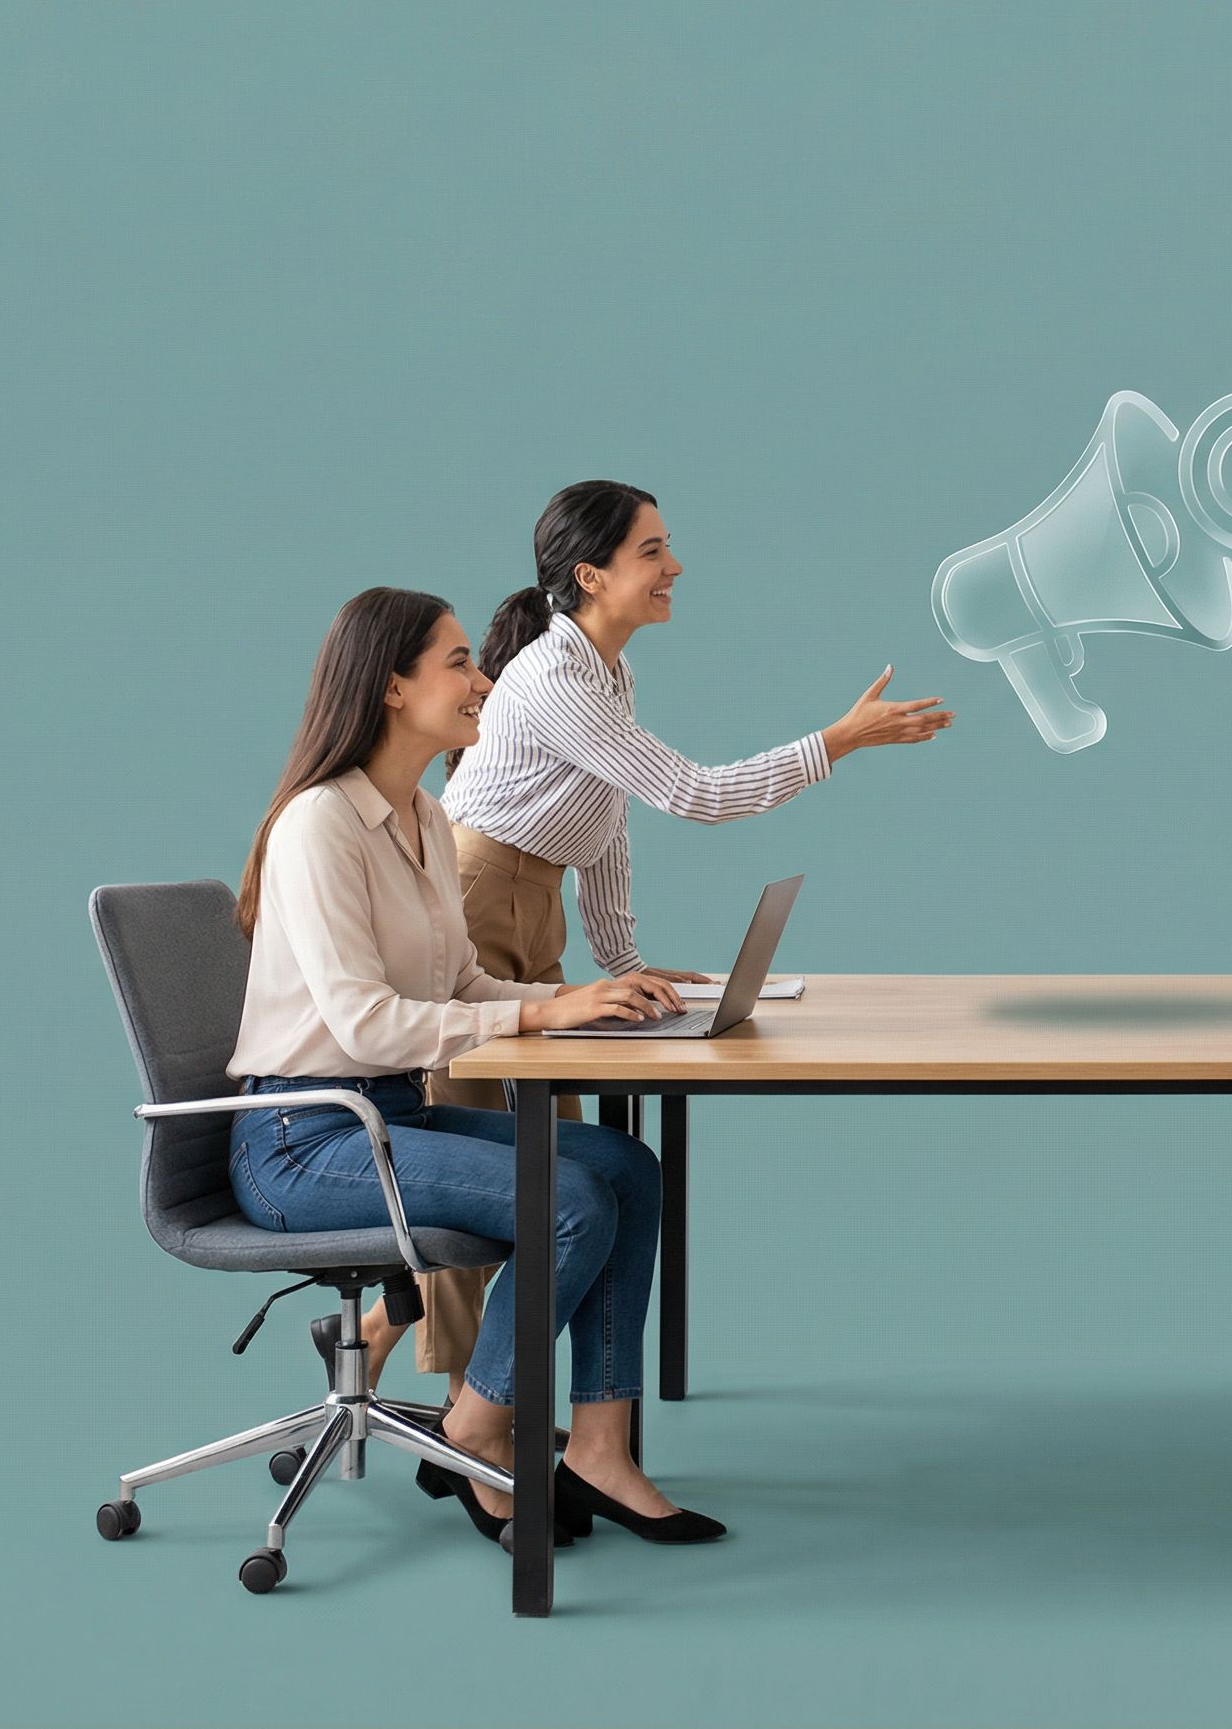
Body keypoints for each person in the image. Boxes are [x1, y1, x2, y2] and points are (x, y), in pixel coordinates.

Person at [352, 481, 953, 1398]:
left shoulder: (608, 671)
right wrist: (838, 742)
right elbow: (695, 796)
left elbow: (603, 821)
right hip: (474, 903)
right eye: (653, 551)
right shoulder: (555, 677)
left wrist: (624, 961)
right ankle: (469, 1429)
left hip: (528, 901)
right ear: (591, 575)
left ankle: (397, 1337)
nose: (675, 566)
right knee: (503, 1172)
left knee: (547, 1158)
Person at [228, 586, 725, 1546]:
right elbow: (365, 1024)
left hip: (386, 1118)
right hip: (301, 1138)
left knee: (625, 1168)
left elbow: (460, 981)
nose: (483, 679)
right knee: (568, 1200)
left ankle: (599, 1450)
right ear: (389, 688)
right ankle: (479, 1426)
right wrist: (541, 1008)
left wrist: (574, 1002)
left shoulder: (422, 815)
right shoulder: (318, 827)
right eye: (458, 662)